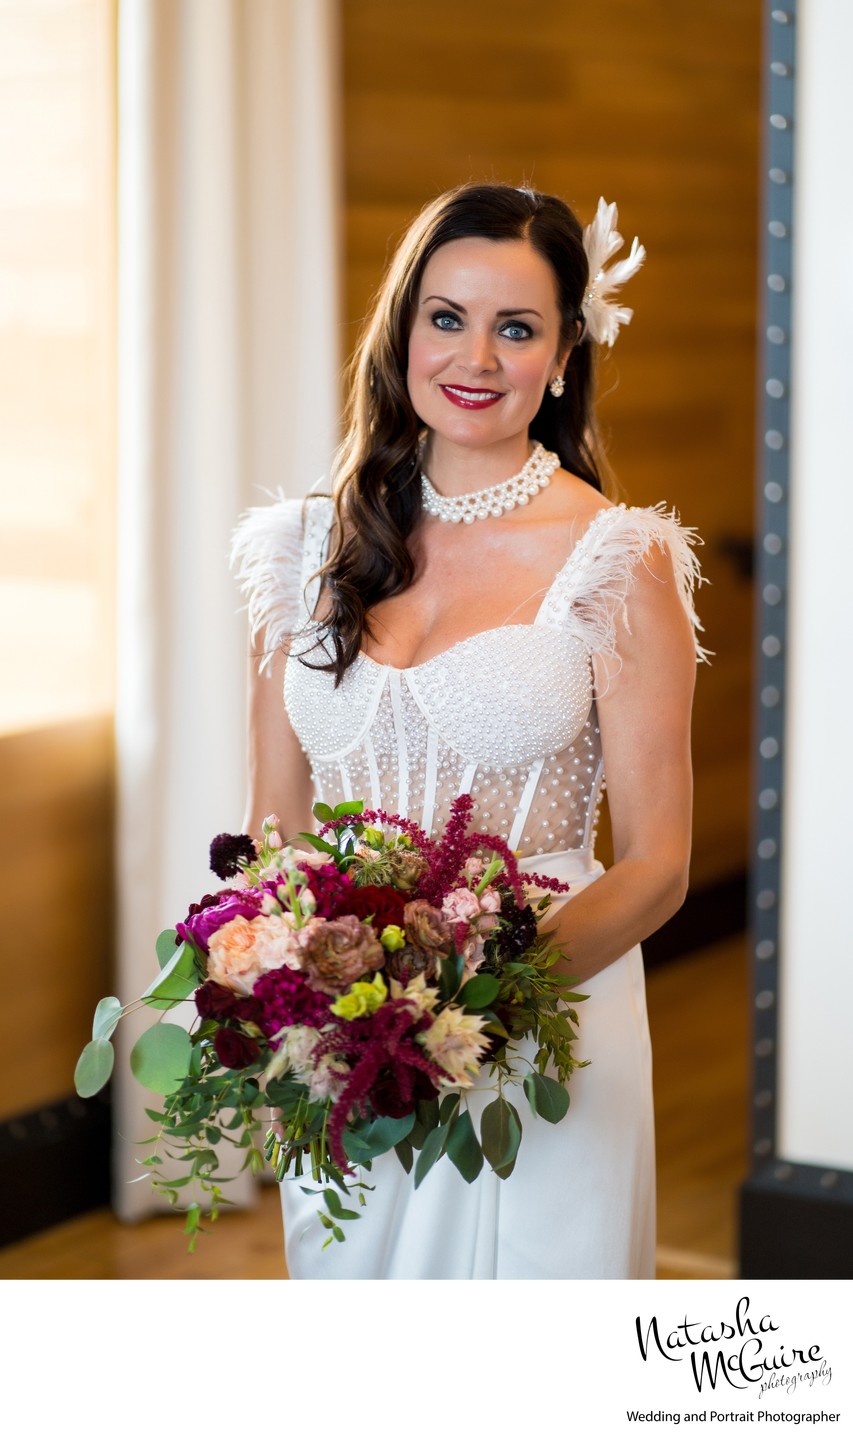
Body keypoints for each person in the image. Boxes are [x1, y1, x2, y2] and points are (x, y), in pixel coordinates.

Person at [232, 182, 706, 1280]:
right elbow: (272, 821)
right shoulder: (302, 548)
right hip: (348, 1044)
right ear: (403, 328)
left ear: (565, 350)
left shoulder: (616, 562)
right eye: (446, 317)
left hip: (543, 1030)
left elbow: (657, 865)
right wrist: (318, 997)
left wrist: (470, 1004)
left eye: (516, 327)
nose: (476, 357)